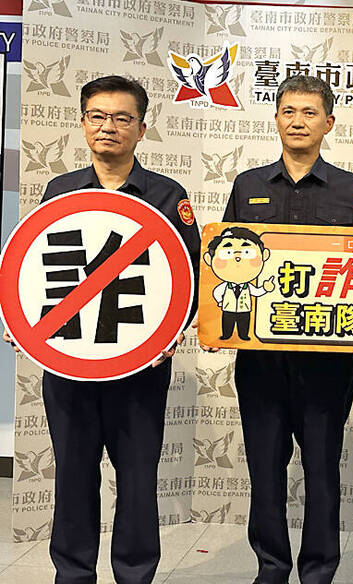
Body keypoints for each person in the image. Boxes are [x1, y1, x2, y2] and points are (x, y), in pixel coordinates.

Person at [4, 75, 200, 583]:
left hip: (139, 367)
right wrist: (24, 322)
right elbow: (37, 268)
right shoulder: (60, 190)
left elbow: (191, 276)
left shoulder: (166, 194)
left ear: (141, 128)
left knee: (137, 481)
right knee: (72, 478)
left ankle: (135, 574)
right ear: (83, 122)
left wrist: (173, 331)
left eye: (121, 118)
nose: (108, 127)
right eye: (97, 116)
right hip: (70, 367)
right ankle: (72, 574)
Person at [218, 75, 353, 584]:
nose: (298, 121)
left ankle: (318, 570)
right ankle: (271, 566)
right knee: (265, 470)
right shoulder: (247, 185)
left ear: (328, 123)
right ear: (276, 120)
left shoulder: (352, 190)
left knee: (322, 471)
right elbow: (223, 260)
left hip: (328, 363)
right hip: (260, 361)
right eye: (288, 111)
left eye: (309, 112)